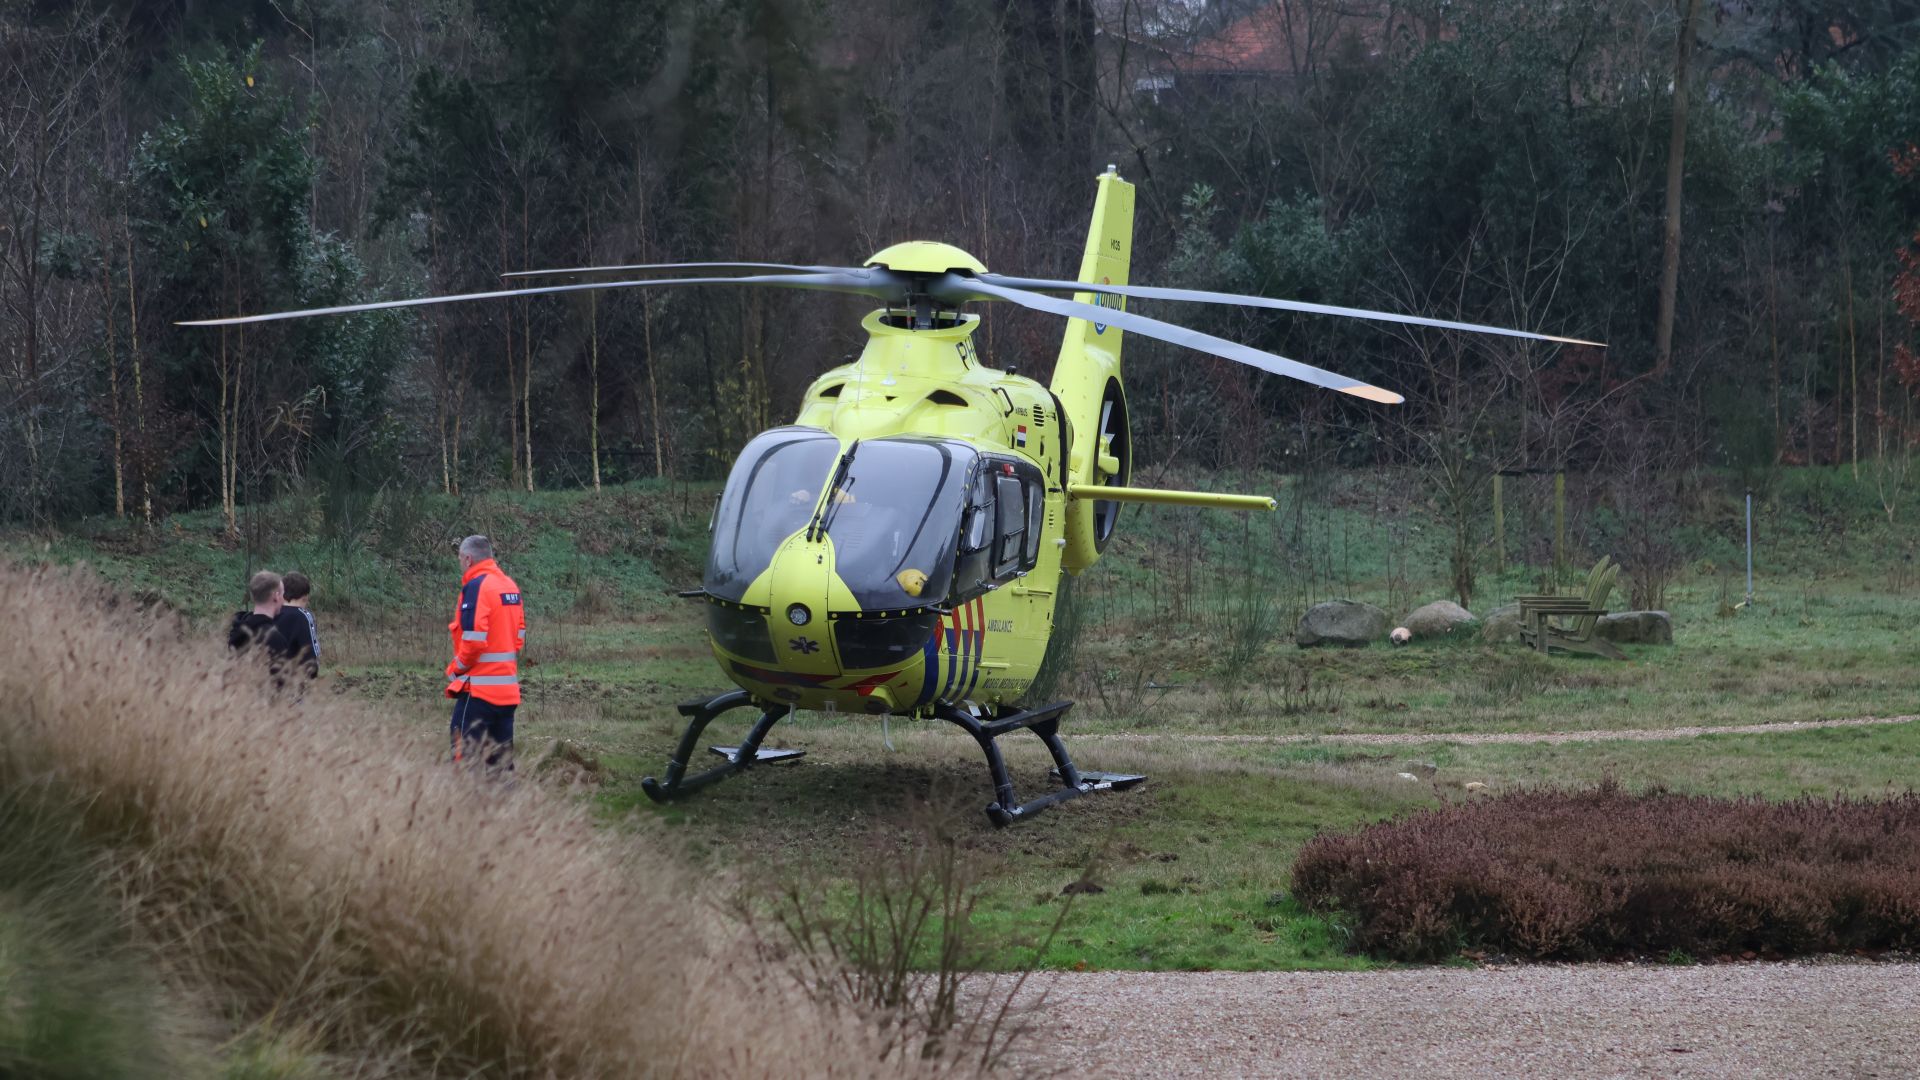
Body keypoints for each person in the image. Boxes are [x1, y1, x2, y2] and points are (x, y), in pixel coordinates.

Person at [446, 535, 525, 773]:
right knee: (501, 767)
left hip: (478, 694)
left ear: (468, 559)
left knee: (464, 762)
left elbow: (473, 640)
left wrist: (456, 669)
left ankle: (464, 808)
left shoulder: (476, 586)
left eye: (460, 558)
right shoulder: (510, 586)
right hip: (508, 695)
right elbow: (518, 638)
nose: (459, 562)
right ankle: (507, 808)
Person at [228, 570, 294, 679]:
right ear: (276, 596)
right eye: (283, 594)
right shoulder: (274, 639)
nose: (284, 599)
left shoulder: (236, 631)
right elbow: (282, 687)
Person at [273, 570, 321, 680]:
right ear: (305, 597)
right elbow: (311, 651)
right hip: (294, 680)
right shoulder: (304, 616)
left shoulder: (271, 613)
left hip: (268, 679)